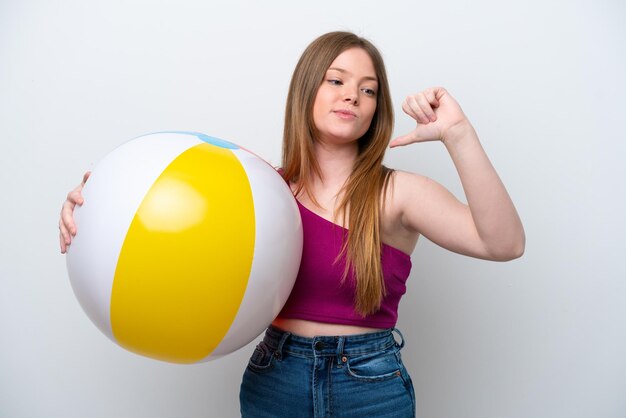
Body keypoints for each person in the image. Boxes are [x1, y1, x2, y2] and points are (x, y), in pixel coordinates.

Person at [59, 31, 525, 417]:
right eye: (336, 80)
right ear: (307, 90)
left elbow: (503, 243)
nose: (352, 95)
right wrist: (94, 206)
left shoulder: (398, 193)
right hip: (275, 379)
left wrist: (458, 134)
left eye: (368, 90)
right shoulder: (261, 191)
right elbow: (164, 228)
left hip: (370, 386)